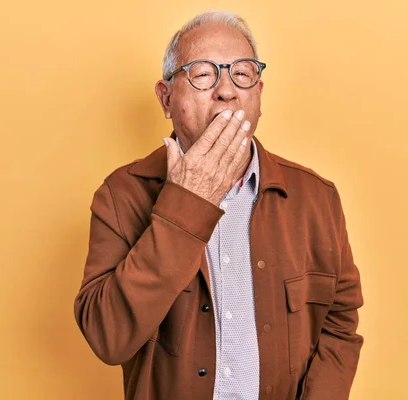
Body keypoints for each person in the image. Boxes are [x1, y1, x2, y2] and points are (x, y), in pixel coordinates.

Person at [74, 10, 363, 400]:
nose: (227, 90)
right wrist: (188, 202)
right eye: (204, 73)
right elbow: (107, 336)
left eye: (242, 73)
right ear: (166, 99)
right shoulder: (121, 195)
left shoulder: (317, 198)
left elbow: (339, 323)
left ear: (259, 93)